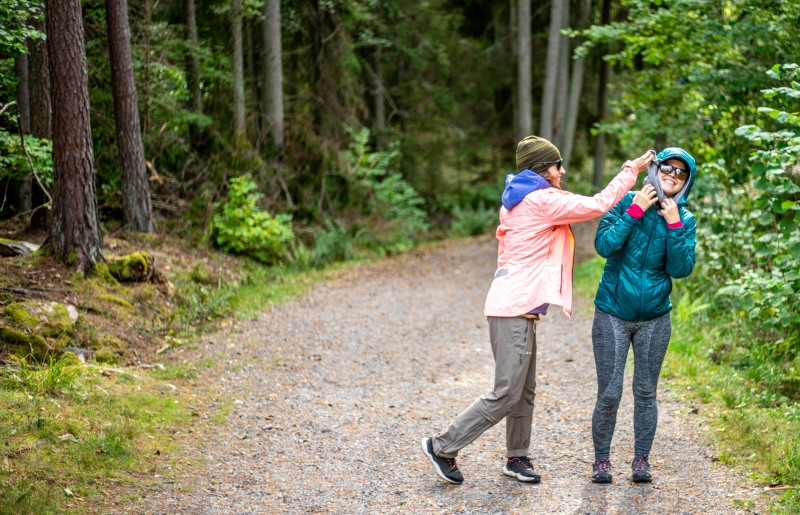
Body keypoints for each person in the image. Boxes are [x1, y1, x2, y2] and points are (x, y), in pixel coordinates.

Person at [420, 135, 655, 484]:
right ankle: (442, 446)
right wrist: (631, 169)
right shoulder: (541, 199)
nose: (562, 171)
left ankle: (517, 457)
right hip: (512, 308)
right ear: (544, 169)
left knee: (523, 390)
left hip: (520, 306)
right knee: (506, 391)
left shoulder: (522, 197)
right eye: (557, 165)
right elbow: (599, 204)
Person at [589, 147, 697, 484]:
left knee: (646, 392)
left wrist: (674, 222)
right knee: (609, 392)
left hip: (654, 317)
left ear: (686, 181)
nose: (672, 175)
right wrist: (635, 211)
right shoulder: (626, 200)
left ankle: (641, 461)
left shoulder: (685, 218)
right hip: (613, 312)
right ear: (655, 168)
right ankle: (602, 461)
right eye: (667, 168)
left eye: (681, 173)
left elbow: (680, 270)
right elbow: (604, 245)